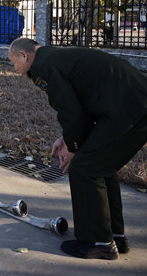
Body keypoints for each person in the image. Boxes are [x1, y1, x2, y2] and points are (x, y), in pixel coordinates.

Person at [8, 37, 147, 260]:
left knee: (84, 167)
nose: (15, 69)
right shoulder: (55, 57)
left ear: (24, 56)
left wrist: (73, 148)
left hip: (128, 109)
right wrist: (66, 139)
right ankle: (115, 236)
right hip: (134, 105)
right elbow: (82, 107)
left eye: (13, 62)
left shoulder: (43, 67)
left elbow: (70, 112)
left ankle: (99, 242)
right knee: (101, 167)